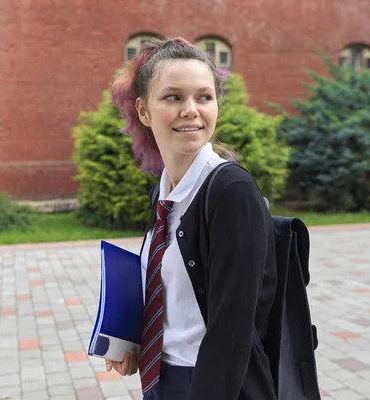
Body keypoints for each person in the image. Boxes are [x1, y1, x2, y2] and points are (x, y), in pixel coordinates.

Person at [105, 37, 278, 400]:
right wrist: (135, 338)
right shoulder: (164, 191)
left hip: (210, 383)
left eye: (203, 97)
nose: (191, 110)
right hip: (160, 378)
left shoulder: (231, 192)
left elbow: (232, 329)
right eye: (173, 97)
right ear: (143, 110)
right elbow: (171, 291)